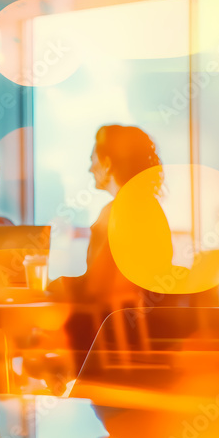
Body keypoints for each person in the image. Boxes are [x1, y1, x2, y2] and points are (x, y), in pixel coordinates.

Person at [47, 125, 172, 354]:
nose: (89, 168)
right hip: (144, 332)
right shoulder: (149, 207)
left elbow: (97, 287)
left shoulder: (116, 211)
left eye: (93, 159)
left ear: (107, 163)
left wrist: (56, 284)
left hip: (109, 337)